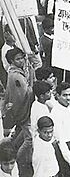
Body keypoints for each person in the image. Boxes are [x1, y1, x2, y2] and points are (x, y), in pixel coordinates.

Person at [5, 47, 34, 177]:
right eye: (18, 59)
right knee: (29, 139)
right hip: (23, 109)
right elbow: (25, 93)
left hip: (20, 110)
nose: (21, 61)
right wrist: (32, 81)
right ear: (12, 61)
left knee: (21, 134)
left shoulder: (16, 72)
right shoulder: (16, 76)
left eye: (22, 58)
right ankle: (14, 159)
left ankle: (11, 147)